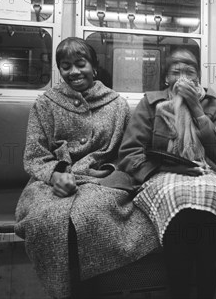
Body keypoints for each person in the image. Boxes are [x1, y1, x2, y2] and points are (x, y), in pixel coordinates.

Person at [15, 37, 159, 299]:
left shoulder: (117, 104)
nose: (73, 72)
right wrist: (55, 174)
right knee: (46, 220)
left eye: (80, 64)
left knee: (90, 215)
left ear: (94, 67)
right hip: (50, 182)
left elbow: (126, 153)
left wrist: (113, 175)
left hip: (102, 180)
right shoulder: (45, 104)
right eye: (66, 66)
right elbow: (34, 156)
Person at [117, 49, 216, 299]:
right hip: (160, 173)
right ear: (166, 79)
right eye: (176, 72)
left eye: (189, 72)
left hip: (204, 171)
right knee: (178, 197)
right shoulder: (151, 103)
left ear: (198, 78)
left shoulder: (212, 105)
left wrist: (196, 110)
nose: (183, 77)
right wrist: (162, 168)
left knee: (211, 195)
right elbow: (130, 152)